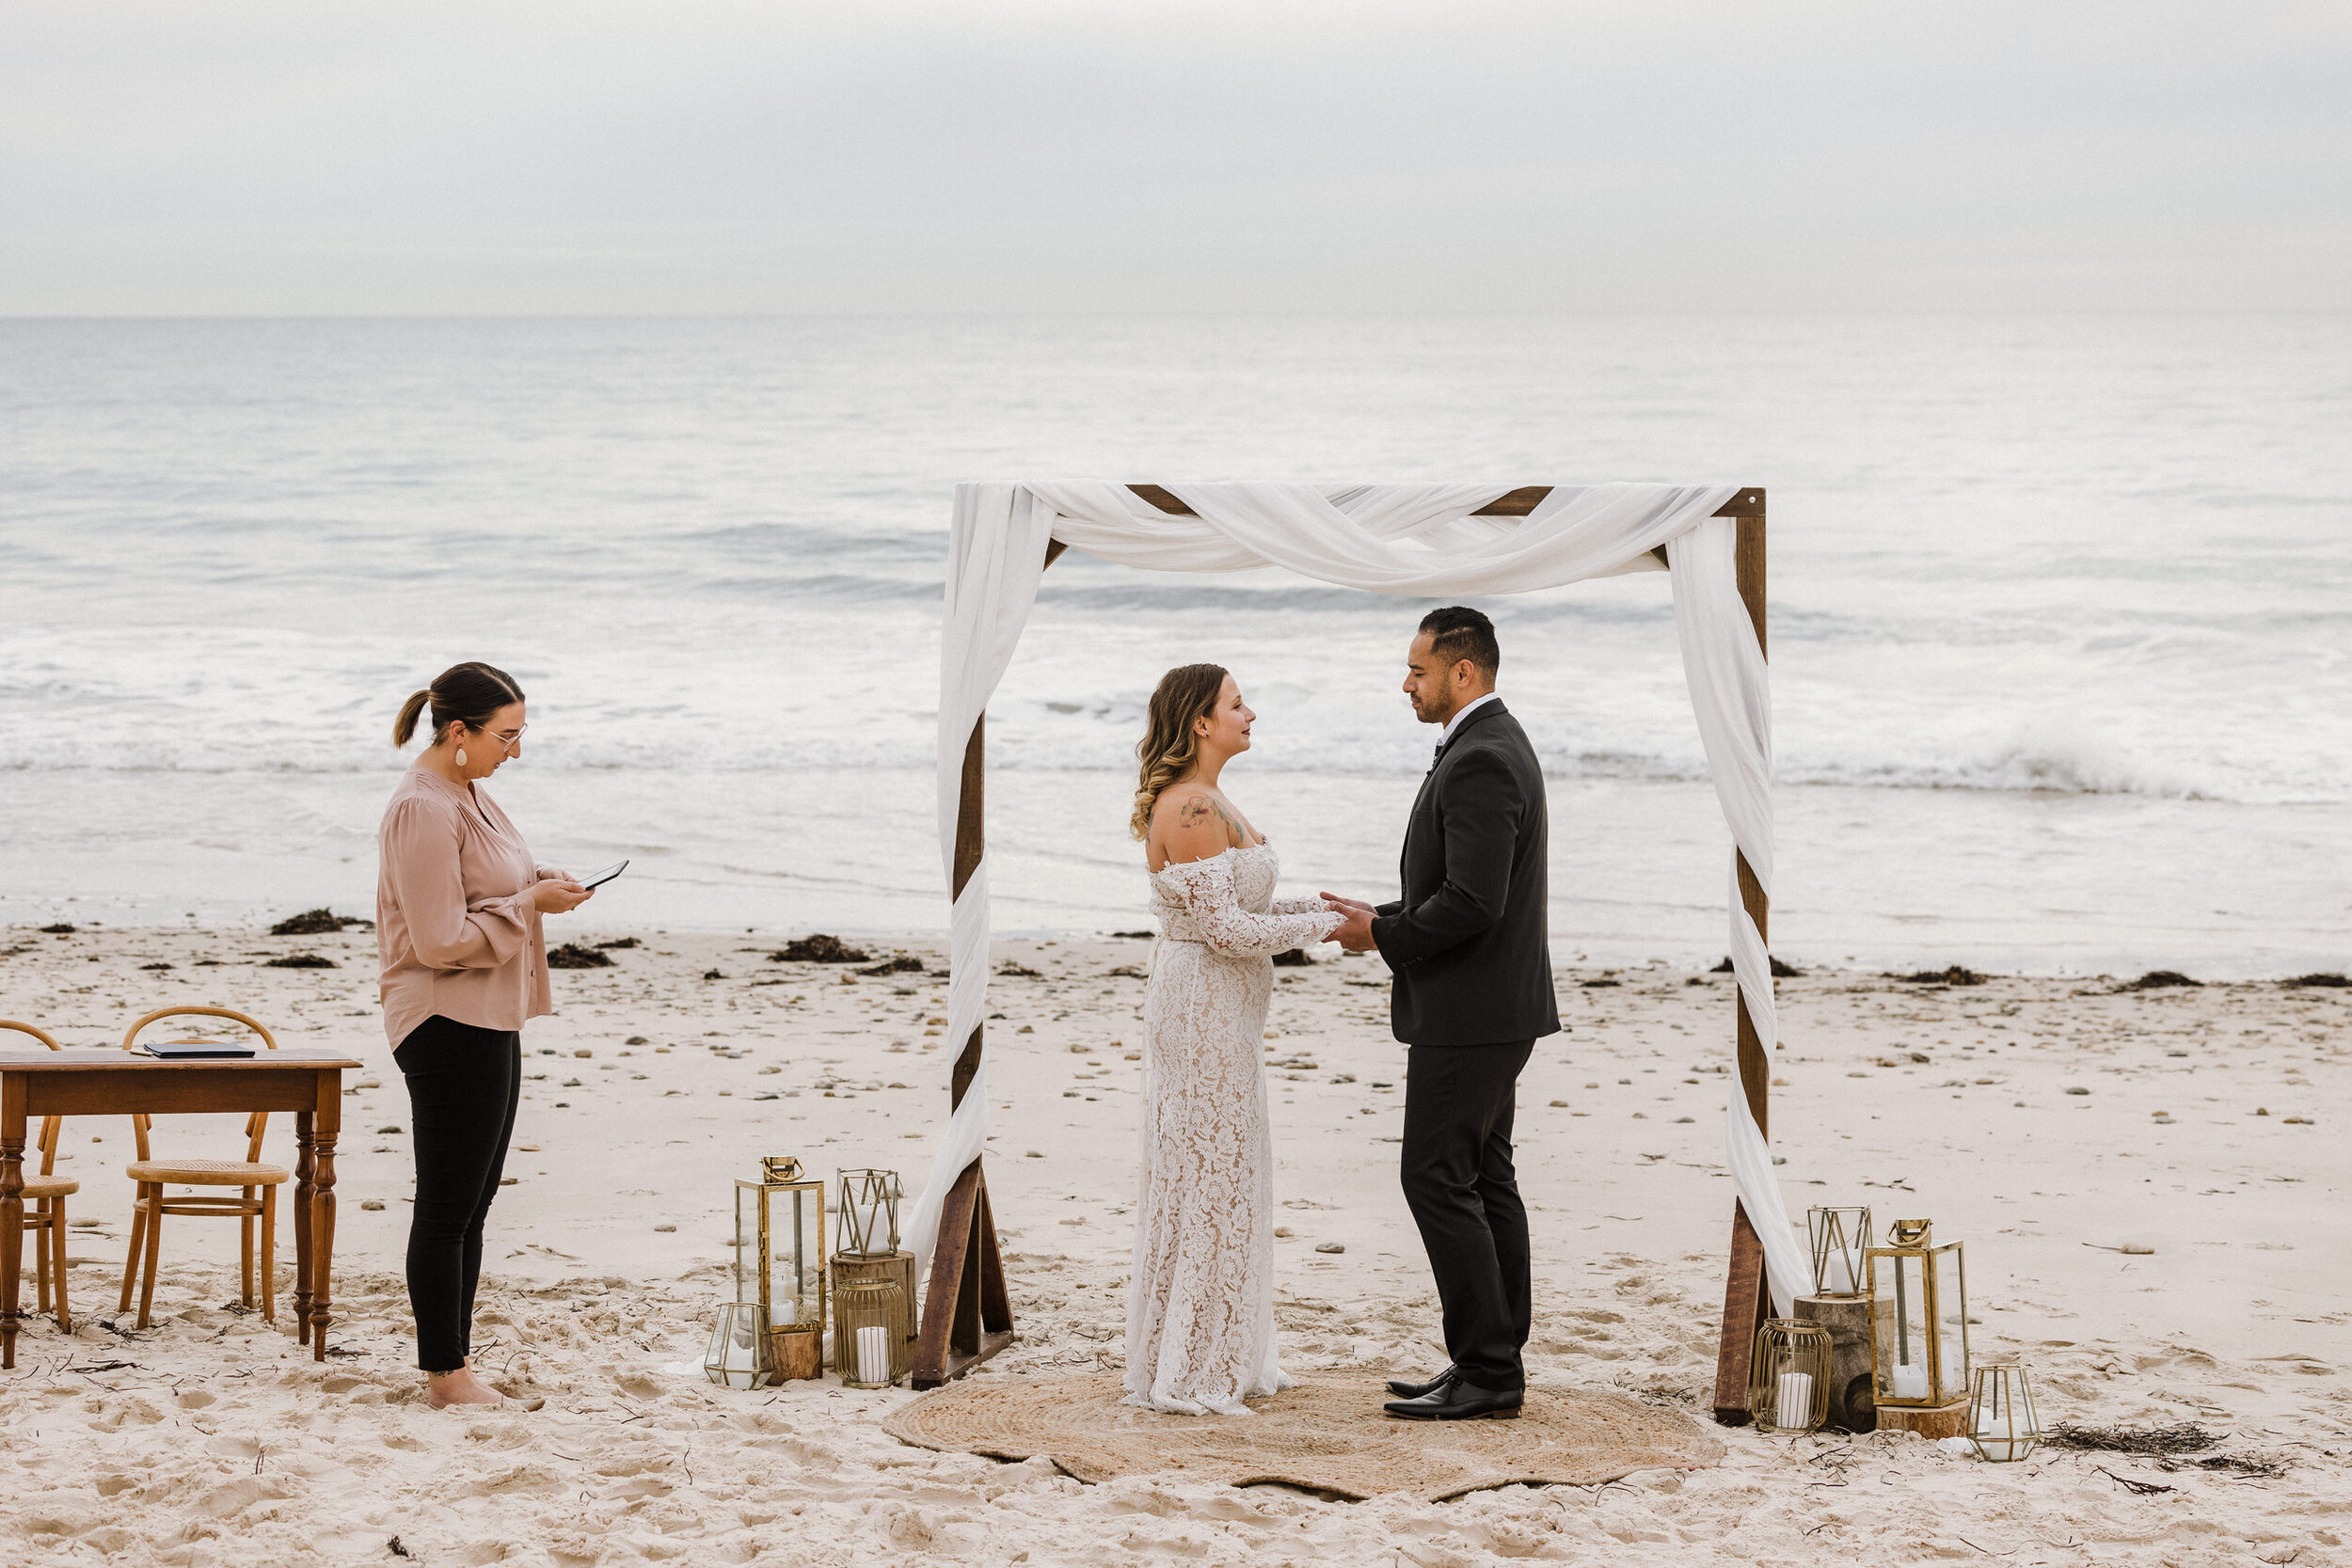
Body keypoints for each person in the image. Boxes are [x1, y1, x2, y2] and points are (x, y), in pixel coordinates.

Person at [1323, 607, 1558, 1421]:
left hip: (1473, 1008)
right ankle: (1492, 1356)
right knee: (1485, 1175)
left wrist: (1384, 934)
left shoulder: (1482, 757)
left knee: (1432, 1175)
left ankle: (1490, 1367)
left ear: (1464, 671)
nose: (1406, 683)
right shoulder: (1492, 742)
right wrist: (1379, 913)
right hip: (1494, 1003)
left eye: (1418, 670)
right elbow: (1458, 888)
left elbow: (1474, 903)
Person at [1125, 663, 1344, 1415]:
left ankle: (1214, 1346)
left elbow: (1244, 901)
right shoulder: (1189, 806)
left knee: (1226, 1167)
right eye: (1236, 703)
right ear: (1199, 722)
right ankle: (1190, 1364)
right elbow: (1225, 929)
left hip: (1228, 1010)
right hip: (1201, 1007)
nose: (1251, 711)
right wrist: (1325, 928)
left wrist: (1326, 905)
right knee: (1210, 1173)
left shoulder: (1215, 801)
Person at [377, 661, 593, 1410]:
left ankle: (458, 1365)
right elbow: (437, 938)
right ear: (458, 731)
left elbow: (490, 878)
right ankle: (447, 1378)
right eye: (506, 735)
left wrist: (540, 879)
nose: (517, 750)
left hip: (488, 1014)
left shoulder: (469, 793)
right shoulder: (423, 808)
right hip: (444, 1018)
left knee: (474, 1201)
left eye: (522, 733)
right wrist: (529, 900)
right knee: (445, 1208)